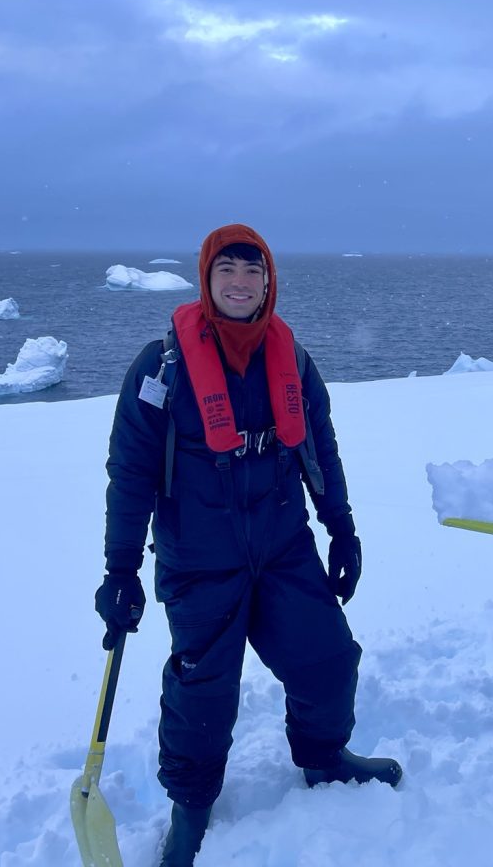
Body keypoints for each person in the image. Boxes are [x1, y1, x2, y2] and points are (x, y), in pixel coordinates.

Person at [95, 224, 401, 867]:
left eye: (252, 271)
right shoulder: (161, 369)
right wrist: (120, 570)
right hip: (200, 557)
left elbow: (320, 452)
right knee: (203, 692)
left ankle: (323, 756)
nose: (240, 283)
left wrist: (341, 529)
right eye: (227, 271)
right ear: (206, 280)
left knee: (328, 659)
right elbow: (130, 474)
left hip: (283, 546)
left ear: (268, 282)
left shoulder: (293, 359)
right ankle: (191, 809)